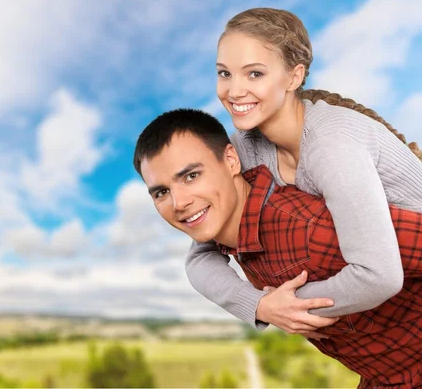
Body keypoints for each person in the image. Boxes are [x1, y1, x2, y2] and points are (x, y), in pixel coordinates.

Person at [134, 108, 422, 388]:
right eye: (161, 192)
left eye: (191, 176)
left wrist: (297, 304)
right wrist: (261, 306)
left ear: (231, 161)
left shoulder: (310, 225)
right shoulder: (231, 233)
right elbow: (197, 261)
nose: (178, 203)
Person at [186, 7, 422, 335]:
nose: (234, 90)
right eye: (225, 73)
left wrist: (290, 305)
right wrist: (259, 305)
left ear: (294, 77)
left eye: (254, 74)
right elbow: (200, 255)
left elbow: (378, 275)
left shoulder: (331, 146)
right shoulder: (245, 149)